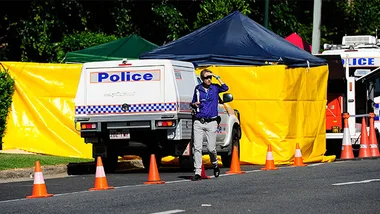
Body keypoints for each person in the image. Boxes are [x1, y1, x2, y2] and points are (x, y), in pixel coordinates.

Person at [190, 69, 229, 181]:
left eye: (210, 78)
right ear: (202, 79)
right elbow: (192, 103)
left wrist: (217, 76)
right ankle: (197, 171)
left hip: (211, 122)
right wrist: (194, 104)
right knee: (197, 147)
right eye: (207, 78)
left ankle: (215, 164)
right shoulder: (198, 89)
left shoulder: (215, 88)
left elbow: (226, 88)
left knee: (211, 148)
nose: (209, 80)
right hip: (199, 121)